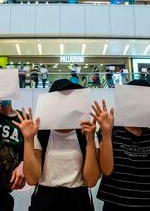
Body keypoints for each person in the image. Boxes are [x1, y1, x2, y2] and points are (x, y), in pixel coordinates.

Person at [13, 79, 100, 211]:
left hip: (78, 199)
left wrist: (90, 140)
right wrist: (28, 139)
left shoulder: (87, 131)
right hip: (45, 199)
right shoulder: (41, 132)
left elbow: (91, 181)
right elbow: (31, 179)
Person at [94, 79, 150, 211]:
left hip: (148, 205)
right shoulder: (111, 130)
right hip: (114, 205)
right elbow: (106, 170)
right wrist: (106, 133)